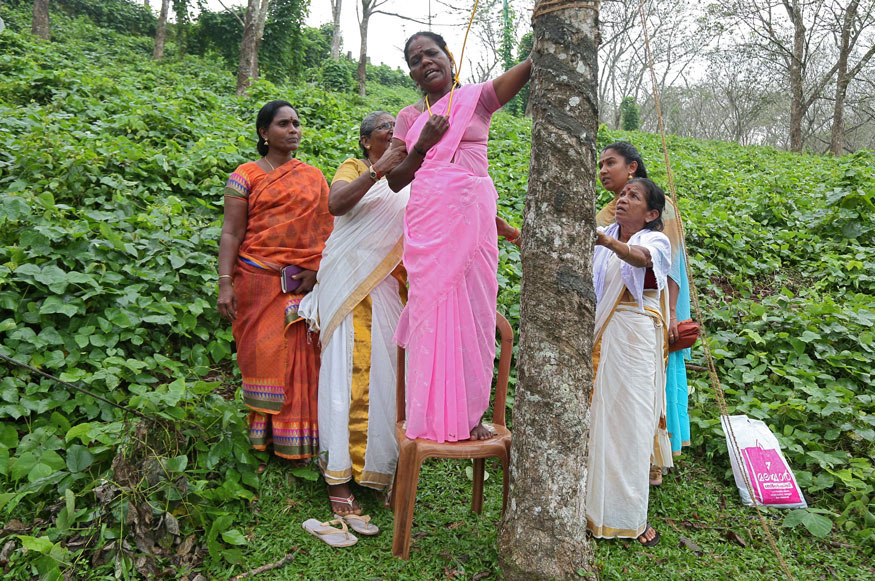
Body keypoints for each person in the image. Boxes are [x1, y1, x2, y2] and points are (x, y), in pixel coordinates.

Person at [384, 31, 528, 443]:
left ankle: (469, 415)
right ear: (410, 71)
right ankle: (427, 412)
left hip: (473, 223)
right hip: (429, 229)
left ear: (449, 56)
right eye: (414, 59)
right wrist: (423, 145)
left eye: (431, 53)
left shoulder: (479, 98)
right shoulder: (409, 118)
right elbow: (395, 181)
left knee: (476, 315)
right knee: (432, 316)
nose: (424, 62)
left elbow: (529, 68)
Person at [298, 111, 408, 516]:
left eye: (399, 131)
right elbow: (336, 204)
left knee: (384, 382)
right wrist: (379, 169)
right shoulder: (357, 168)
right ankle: (340, 478)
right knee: (344, 381)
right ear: (366, 142)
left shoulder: (409, 180)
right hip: (347, 288)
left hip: (388, 294)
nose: (395, 135)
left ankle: (375, 470)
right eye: (386, 130)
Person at [217, 100, 333, 461]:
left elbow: (329, 231)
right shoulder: (245, 175)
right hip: (256, 282)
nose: (293, 129)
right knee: (263, 355)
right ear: (264, 133)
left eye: (296, 123)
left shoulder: (313, 177)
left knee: (300, 356)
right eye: (284, 124)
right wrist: (225, 282)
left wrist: (316, 272)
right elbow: (232, 233)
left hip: (301, 284)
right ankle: (262, 440)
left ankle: (299, 442)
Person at [597, 141, 692, 485]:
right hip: (609, 316)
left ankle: (648, 462)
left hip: (647, 314)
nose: (604, 171)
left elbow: (668, 271)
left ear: (632, 167)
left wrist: (671, 316)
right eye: (600, 165)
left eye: (611, 163)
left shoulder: (661, 214)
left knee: (648, 392)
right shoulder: (607, 216)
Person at [586, 177, 672, 547]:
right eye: (622, 194)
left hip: (634, 340)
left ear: (651, 213)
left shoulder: (655, 239)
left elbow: (641, 260)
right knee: (599, 420)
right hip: (602, 334)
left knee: (631, 424)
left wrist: (609, 242)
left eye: (633, 196)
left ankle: (627, 516)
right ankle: (591, 510)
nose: (622, 199)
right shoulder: (603, 233)